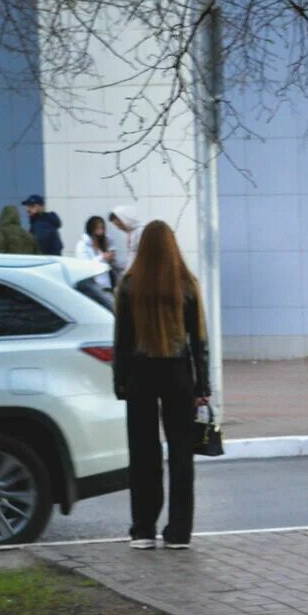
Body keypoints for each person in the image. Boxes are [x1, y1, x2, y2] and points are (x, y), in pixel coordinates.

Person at [112, 221, 210, 550]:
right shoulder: (186, 284)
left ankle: (143, 530)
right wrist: (203, 386)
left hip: (140, 373)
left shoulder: (129, 285)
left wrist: (120, 381)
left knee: (143, 453)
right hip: (178, 373)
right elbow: (199, 341)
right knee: (181, 453)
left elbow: (122, 340)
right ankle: (179, 532)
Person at [75, 215, 115, 288]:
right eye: (98, 228)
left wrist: (110, 258)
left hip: (106, 282)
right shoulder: (82, 244)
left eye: (102, 228)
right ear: (91, 229)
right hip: (92, 284)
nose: (101, 231)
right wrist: (103, 257)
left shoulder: (104, 242)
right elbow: (84, 264)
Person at [108, 206, 144, 282]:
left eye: (119, 225)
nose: (118, 228)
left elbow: (138, 258)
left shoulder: (141, 232)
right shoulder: (132, 233)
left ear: (125, 220)